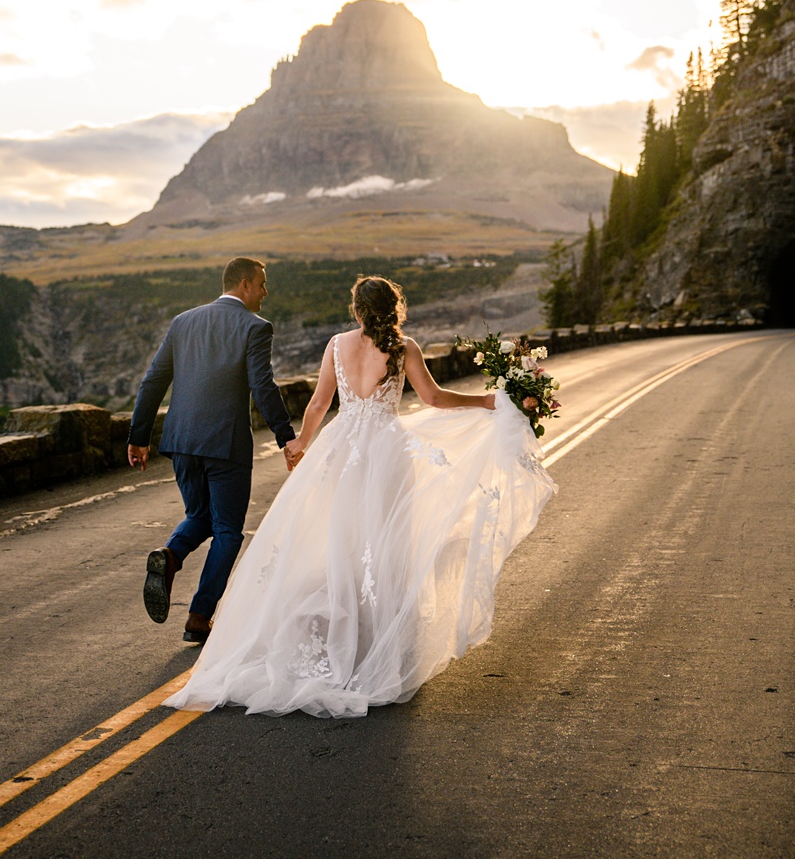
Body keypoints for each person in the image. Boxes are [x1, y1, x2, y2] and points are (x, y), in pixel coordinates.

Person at [168, 275, 556, 716]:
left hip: (341, 450)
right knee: (385, 545)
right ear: (395, 310)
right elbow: (433, 398)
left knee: (339, 542)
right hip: (389, 453)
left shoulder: (336, 345)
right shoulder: (404, 347)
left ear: (356, 310)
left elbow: (318, 404)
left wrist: (300, 444)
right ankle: (376, 645)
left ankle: (340, 640)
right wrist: (487, 402)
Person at [127, 257, 298, 644]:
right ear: (243, 284)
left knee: (200, 515)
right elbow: (263, 386)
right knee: (227, 531)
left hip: (181, 441)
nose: (266, 292)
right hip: (225, 444)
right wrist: (286, 437)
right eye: (262, 284)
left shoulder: (182, 321)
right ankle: (199, 616)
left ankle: (170, 557)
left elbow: (152, 381)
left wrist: (137, 437)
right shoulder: (255, 327)